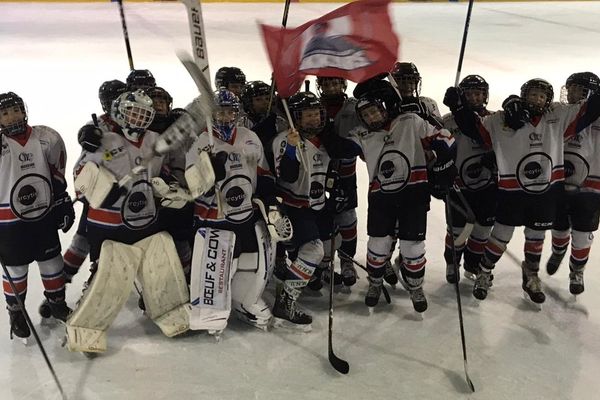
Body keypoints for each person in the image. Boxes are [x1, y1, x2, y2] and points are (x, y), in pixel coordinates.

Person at [444, 77, 600, 303]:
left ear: (549, 99)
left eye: (542, 95)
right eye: (532, 94)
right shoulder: (502, 119)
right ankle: (484, 272)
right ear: (523, 95)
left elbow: (589, 110)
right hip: (512, 192)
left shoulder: (558, 116)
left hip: (545, 193)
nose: (537, 99)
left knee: (536, 236)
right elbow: (475, 129)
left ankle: (531, 276)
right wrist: (458, 108)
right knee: (501, 235)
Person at [66, 89, 191, 354]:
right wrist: (100, 189)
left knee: (159, 267)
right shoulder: (104, 140)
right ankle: (88, 327)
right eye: (134, 112)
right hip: (108, 225)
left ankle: (170, 311)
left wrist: (167, 185)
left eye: (144, 114)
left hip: (145, 221)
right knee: (107, 276)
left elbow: (163, 171)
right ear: (120, 113)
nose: (139, 118)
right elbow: (79, 175)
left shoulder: (156, 140)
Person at [324, 77, 456, 313]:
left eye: (374, 112)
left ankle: (416, 287)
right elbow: (340, 149)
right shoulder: (361, 133)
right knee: (377, 245)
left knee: (412, 247)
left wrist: (443, 164)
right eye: (366, 115)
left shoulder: (410, 121)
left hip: (413, 196)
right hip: (381, 198)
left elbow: (445, 139)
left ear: (385, 107)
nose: (371, 118)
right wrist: (323, 129)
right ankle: (374, 283)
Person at [186, 88, 281, 334]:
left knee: (251, 259)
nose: (226, 117)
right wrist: (209, 172)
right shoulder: (200, 144)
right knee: (223, 263)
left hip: (246, 215)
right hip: (214, 219)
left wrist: (270, 199)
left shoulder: (250, 137)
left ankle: (245, 301)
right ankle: (212, 307)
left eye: (230, 112)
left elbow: (263, 173)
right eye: (220, 112)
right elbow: (193, 189)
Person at [0, 92, 75, 340]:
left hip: (42, 215)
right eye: (4, 113)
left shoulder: (46, 138)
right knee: (16, 269)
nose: (12, 116)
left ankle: (57, 303)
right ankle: (16, 312)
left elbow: (56, 175)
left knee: (52, 262)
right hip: (9, 222)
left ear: (24, 110)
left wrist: (63, 202)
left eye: (15, 110)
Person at [271, 91, 334, 330]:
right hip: (294, 206)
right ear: (294, 118)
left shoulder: (324, 138)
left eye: (316, 113)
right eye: (307, 115)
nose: (314, 119)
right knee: (313, 250)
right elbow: (287, 175)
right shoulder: (285, 140)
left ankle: (300, 280)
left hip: (318, 205)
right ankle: (285, 303)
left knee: (320, 251)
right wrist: (291, 150)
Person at [62, 79, 127, 282]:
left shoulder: (134, 118)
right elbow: (85, 159)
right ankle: (61, 283)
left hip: (130, 193)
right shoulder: (99, 125)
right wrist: (85, 134)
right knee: (83, 238)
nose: (117, 103)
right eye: (112, 99)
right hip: (103, 192)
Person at [546, 72, 600, 295]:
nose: (573, 93)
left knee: (582, 233)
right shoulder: (560, 112)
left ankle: (577, 270)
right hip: (561, 180)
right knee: (559, 227)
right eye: (572, 88)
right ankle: (558, 251)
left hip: (591, 184)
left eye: (580, 89)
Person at [442, 75, 497, 283]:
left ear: (485, 95)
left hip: (488, 184)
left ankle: (473, 263)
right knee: (456, 230)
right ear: (461, 97)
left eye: (479, 93)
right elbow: (437, 151)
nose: (475, 98)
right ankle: (452, 262)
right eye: (470, 94)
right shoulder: (448, 121)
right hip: (458, 186)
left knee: (483, 229)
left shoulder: (493, 120)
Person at [315, 76, 359, 288]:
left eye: (335, 83)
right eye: (326, 83)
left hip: (346, 176)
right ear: (320, 86)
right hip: (318, 176)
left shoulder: (355, 107)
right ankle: (324, 264)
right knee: (322, 220)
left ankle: (347, 261)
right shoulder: (313, 106)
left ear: (343, 84)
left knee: (348, 219)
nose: (331, 87)